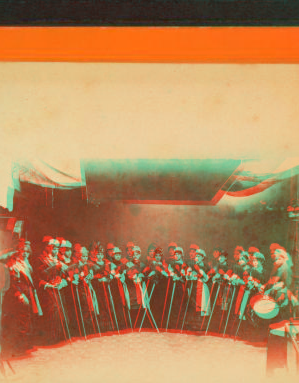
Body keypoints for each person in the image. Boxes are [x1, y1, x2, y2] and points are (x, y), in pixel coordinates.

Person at [2, 240, 43, 357]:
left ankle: (26, 345)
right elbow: (13, 282)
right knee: (20, 320)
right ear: (16, 250)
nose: (22, 252)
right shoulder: (12, 263)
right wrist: (19, 294)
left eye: (24, 250)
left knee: (27, 318)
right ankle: (19, 348)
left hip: (27, 292)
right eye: (20, 250)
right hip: (17, 296)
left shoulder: (25, 262)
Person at [33, 237, 69, 345]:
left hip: (56, 287)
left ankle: (59, 336)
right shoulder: (39, 259)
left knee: (59, 310)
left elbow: (63, 272)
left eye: (53, 246)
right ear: (45, 246)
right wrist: (54, 267)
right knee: (51, 311)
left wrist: (60, 278)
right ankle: (51, 338)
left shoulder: (54, 258)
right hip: (47, 289)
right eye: (50, 246)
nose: (52, 248)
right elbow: (41, 274)